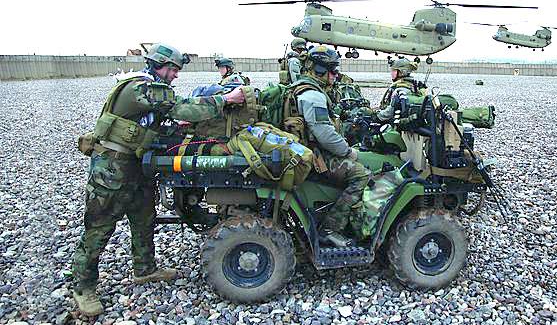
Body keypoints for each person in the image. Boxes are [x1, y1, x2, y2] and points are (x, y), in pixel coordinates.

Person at [71, 43, 245, 316]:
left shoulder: (150, 87)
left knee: (143, 217)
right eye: (173, 69)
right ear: (158, 65)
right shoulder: (141, 87)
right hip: (113, 167)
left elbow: (160, 119)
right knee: (100, 226)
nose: (175, 75)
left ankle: (145, 269)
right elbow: (181, 107)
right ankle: (83, 287)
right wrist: (226, 100)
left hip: (135, 164)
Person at [284, 45, 371, 247]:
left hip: (304, 149)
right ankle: (331, 229)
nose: (335, 75)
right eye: (333, 70)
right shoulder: (313, 95)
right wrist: (348, 152)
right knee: (361, 174)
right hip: (316, 156)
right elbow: (324, 134)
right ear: (320, 71)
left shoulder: (300, 86)